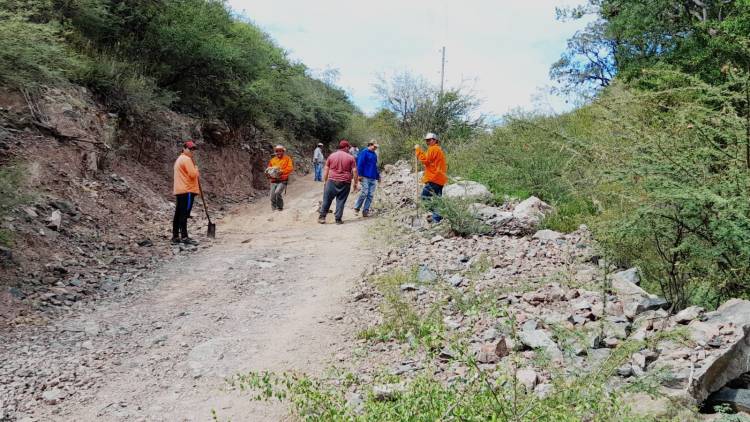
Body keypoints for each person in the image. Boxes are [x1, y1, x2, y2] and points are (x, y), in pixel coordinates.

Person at [319, 140, 358, 224]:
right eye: (349, 147)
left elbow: (326, 168)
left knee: (327, 199)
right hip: (345, 182)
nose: (349, 149)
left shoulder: (332, 156)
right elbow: (354, 171)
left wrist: (325, 181)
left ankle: (322, 217)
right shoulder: (351, 158)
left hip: (332, 180)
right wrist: (355, 183)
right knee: (341, 200)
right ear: (346, 147)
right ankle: (338, 219)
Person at [415, 132, 448, 223]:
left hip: (434, 179)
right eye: (426, 140)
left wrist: (418, 150)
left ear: (435, 140)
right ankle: (437, 218)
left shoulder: (433, 149)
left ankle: (437, 215)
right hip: (440, 179)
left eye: (429, 140)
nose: (427, 142)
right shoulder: (438, 150)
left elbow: (425, 160)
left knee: (424, 198)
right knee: (438, 199)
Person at [172, 140, 200, 245]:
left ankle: (175, 236)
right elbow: (193, 174)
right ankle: (184, 237)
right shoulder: (187, 159)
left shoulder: (179, 159)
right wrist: (196, 169)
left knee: (178, 213)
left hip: (180, 190)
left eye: (193, 149)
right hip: (187, 190)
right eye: (190, 149)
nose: (192, 151)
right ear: (184, 149)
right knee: (184, 214)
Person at [353, 141, 380, 217]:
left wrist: (378, 176)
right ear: (370, 145)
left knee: (370, 195)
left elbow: (375, 166)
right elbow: (360, 164)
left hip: (373, 177)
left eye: (376, 147)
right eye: (374, 146)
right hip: (365, 176)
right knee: (364, 192)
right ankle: (357, 208)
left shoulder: (374, 154)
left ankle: (365, 211)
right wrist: (360, 175)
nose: (375, 148)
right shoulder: (364, 152)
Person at [267, 145, 294, 211]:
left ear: (283, 151)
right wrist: (268, 173)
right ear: (275, 152)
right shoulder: (272, 160)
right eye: (277, 151)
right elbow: (268, 169)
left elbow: (290, 168)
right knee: (272, 196)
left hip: (283, 180)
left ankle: (280, 207)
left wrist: (281, 171)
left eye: (280, 151)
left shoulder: (287, 159)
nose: (278, 153)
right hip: (273, 180)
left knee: (277, 192)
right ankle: (273, 209)